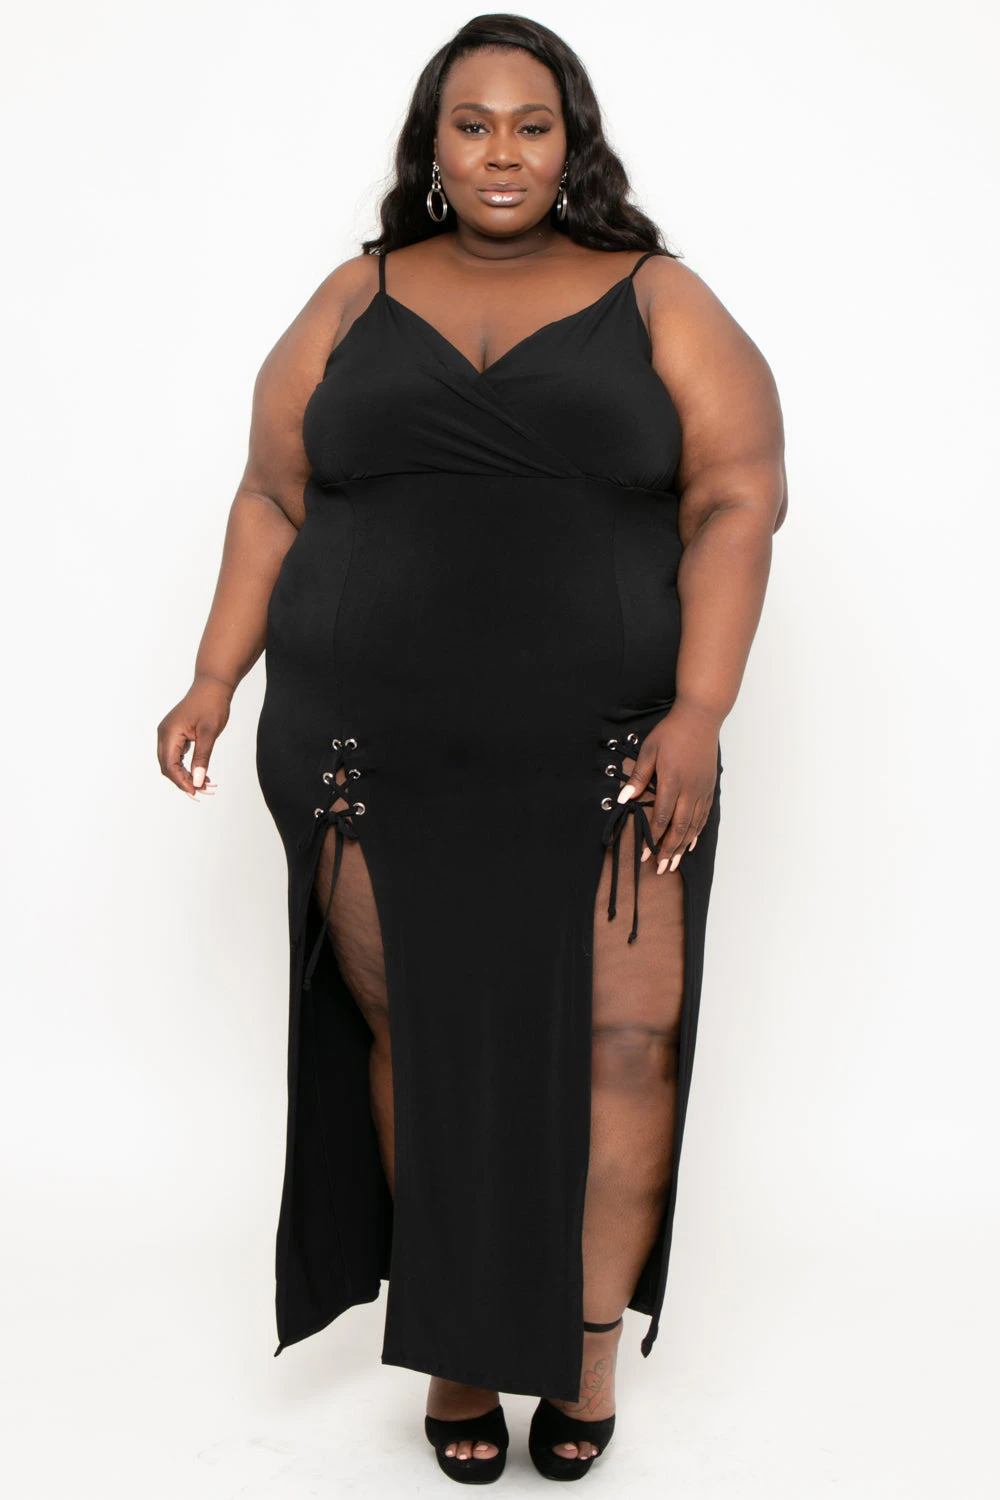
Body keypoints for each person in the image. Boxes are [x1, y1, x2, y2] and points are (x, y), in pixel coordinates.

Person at [156, 13, 787, 1485]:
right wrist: (212, 675)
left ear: (574, 144)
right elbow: (271, 493)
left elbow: (738, 497)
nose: (503, 152)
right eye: (473, 123)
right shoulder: (356, 293)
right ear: (432, 144)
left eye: (532, 124)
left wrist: (701, 709)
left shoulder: (658, 296)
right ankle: (455, 1346)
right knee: (424, 1044)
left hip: (611, 751)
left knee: (624, 1045)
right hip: (370, 746)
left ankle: (582, 1351)